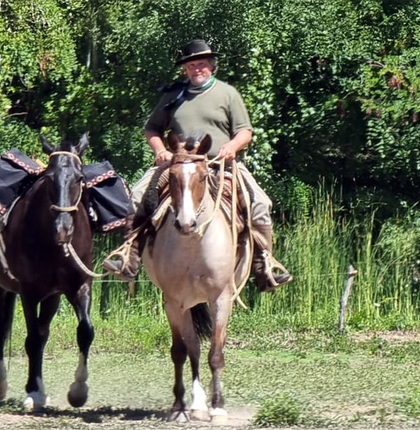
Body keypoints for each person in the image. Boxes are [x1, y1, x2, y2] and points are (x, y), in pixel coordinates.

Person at [103, 39, 292, 292]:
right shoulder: (173, 96)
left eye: (201, 64)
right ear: (185, 69)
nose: (196, 69)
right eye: (191, 65)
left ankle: (265, 265)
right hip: (178, 165)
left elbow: (245, 132)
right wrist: (160, 150)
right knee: (138, 196)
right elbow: (152, 129)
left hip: (220, 165)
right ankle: (129, 256)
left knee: (259, 203)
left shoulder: (227, 94)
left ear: (211, 66)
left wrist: (232, 147)